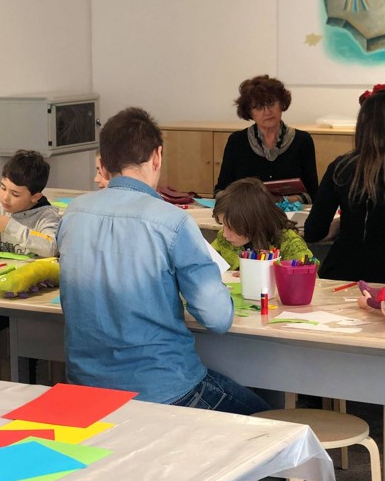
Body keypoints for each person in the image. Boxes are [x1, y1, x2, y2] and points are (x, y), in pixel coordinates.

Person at [58, 107, 269, 413]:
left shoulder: (73, 213)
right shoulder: (172, 222)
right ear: (157, 156)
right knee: (273, 422)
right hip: (164, 390)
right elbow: (218, 318)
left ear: (103, 164)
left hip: (86, 390)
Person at [304, 86, 385, 283]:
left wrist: (342, 224)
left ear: (361, 125)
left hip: (341, 273)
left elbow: (313, 231)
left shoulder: (341, 166)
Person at [214, 75, 319, 202]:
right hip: (248, 211)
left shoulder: (302, 140)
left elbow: (313, 193)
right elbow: (220, 191)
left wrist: (282, 200)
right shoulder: (237, 141)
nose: (267, 112)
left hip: (291, 212)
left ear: (282, 104)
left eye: (271, 103)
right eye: (258, 107)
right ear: (249, 112)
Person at [211, 178, 313, 270]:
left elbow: (310, 276)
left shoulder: (289, 243)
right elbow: (206, 265)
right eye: (223, 225)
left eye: (232, 227)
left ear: (254, 222)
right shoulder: (223, 239)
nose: (225, 234)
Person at [0, 149, 59, 257]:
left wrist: (10, 226)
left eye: (15, 194)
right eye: (3, 188)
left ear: (35, 197)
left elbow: (51, 249)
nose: (5, 198)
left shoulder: (46, 216)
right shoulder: (1, 210)